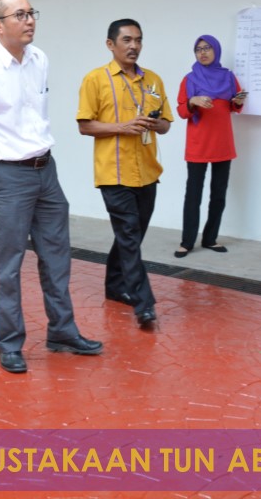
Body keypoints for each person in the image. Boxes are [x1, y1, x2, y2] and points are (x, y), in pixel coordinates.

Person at [0, 0, 103, 374]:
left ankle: (62, 331)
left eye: (31, 12)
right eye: (19, 14)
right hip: (4, 177)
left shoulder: (39, 59)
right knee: (7, 265)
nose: (29, 20)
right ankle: (10, 342)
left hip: (45, 171)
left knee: (57, 256)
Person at [77, 18, 173, 328]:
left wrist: (155, 123)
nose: (134, 46)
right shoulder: (96, 79)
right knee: (129, 236)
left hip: (147, 171)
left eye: (138, 40)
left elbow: (166, 125)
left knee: (132, 235)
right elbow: (84, 125)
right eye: (127, 40)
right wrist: (122, 127)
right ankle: (144, 304)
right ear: (111, 44)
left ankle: (114, 285)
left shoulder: (153, 80)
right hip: (114, 173)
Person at [174, 35, 246, 258]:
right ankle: (187, 242)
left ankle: (210, 239)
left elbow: (233, 106)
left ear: (216, 50)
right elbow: (181, 111)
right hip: (198, 143)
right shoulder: (190, 79)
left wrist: (238, 102)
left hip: (222, 143)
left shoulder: (228, 77)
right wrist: (192, 101)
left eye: (207, 48)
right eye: (198, 49)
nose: (202, 52)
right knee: (193, 195)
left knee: (219, 194)